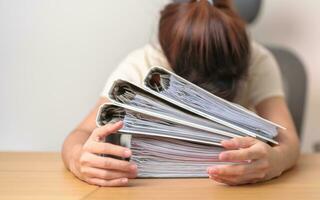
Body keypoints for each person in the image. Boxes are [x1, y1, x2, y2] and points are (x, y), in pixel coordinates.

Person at [61, 0, 300, 187]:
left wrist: (276, 161)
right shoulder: (144, 62)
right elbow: (80, 133)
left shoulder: (256, 58)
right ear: (167, 55)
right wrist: (78, 160)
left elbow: (287, 138)